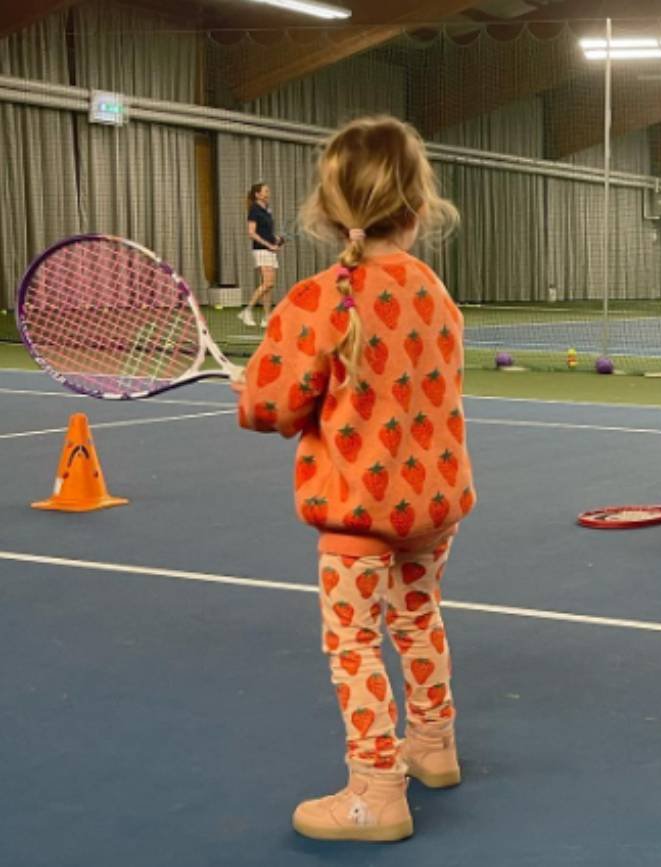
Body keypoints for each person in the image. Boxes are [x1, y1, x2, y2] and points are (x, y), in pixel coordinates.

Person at [233, 116, 468, 843]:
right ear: (418, 206)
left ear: (329, 211)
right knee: (418, 615)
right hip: (431, 506)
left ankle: (376, 791)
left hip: (357, 516)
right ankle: (433, 744)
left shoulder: (319, 300)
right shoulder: (433, 289)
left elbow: (270, 406)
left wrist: (254, 391)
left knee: (355, 643)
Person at [242, 182, 283, 328]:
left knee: (269, 286)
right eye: (265, 191)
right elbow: (251, 233)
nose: (268, 193)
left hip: (269, 250)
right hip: (261, 250)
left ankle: (267, 318)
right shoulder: (254, 210)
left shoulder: (267, 210)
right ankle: (247, 311)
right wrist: (269, 245)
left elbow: (265, 231)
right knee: (268, 283)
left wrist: (275, 239)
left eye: (268, 191)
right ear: (257, 194)